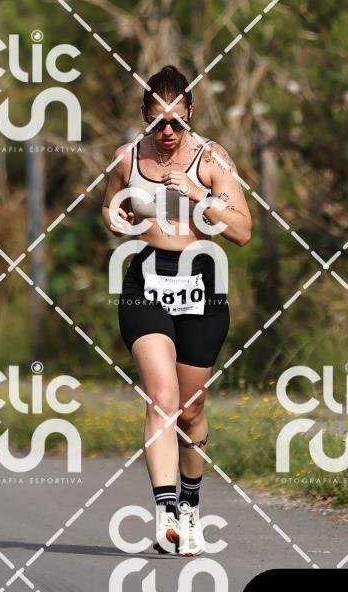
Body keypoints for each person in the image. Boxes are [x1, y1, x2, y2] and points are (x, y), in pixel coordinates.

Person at [101, 65, 252, 555]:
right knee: (161, 398)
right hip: (145, 280)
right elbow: (109, 206)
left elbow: (242, 231)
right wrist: (115, 219)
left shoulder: (212, 158)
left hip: (202, 282)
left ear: (191, 114)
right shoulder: (128, 158)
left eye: (176, 122)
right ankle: (166, 512)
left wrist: (200, 196)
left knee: (190, 412)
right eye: (157, 122)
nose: (167, 131)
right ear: (144, 116)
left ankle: (190, 505)